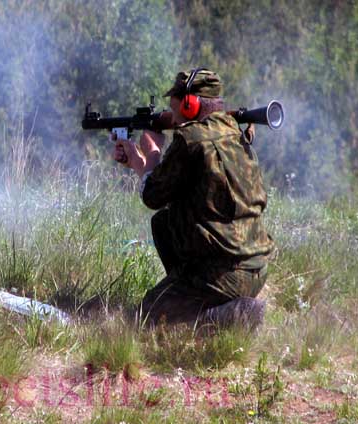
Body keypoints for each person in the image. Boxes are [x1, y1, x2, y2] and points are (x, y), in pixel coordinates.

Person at [113, 68, 274, 331]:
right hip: (255, 267)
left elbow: (153, 195)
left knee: (142, 323)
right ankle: (191, 293)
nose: (171, 111)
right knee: (164, 223)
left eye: (173, 104)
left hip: (224, 274)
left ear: (189, 104)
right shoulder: (235, 130)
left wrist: (148, 157)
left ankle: (234, 316)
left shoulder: (191, 139)